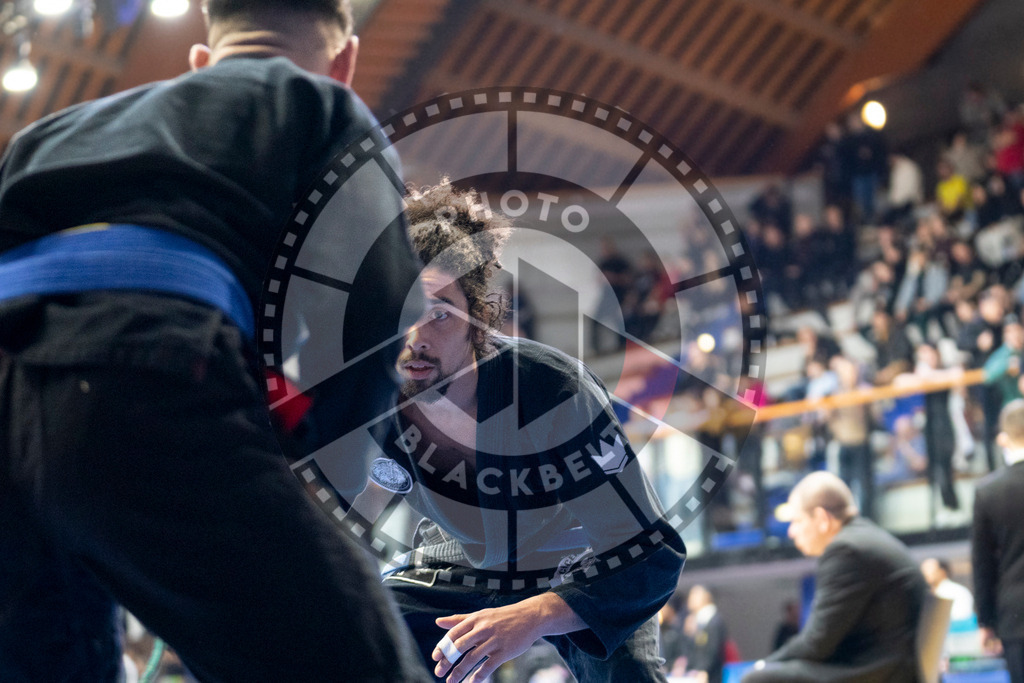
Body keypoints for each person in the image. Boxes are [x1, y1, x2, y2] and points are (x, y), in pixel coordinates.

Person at [0, 1, 432, 681]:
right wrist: (330, 499)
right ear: (345, 62)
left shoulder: (52, 132)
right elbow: (369, 316)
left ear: (201, 61)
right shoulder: (320, 104)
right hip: (140, 377)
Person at [348, 180, 686, 682]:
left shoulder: (555, 392)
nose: (416, 338)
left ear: (476, 319)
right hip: (459, 559)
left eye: (440, 313)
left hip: (578, 557)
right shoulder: (370, 395)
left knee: (629, 673)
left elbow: (652, 555)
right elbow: (349, 517)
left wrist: (536, 614)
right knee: (356, 644)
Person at [742, 471, 927, 682]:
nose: (791, 532)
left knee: (757, 679)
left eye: (797, 521)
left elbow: (817, 643)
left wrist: (766, 663)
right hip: (893, 667)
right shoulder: (864, 537)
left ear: (822, 518)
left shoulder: (846, 549)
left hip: (880, 673)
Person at [972, 398, 1024, 683]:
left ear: (1003, 439)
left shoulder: (987, 491)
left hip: (1014, 616)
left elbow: (982, 563)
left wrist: (986, 621)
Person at [682, 585, 727, 683]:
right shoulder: (696, 621)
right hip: (695, 673)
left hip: (710, 675)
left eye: (695, 595)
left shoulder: (713, 620)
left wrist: (703, 670)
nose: (690, 599)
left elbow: (713, 650)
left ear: (706, 597)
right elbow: (693, 649)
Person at [920, 557, 975, 623]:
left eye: (929, 570)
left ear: (942, 572)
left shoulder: (956, 592)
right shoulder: (929, 592)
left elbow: (960, 619)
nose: (925, 574)